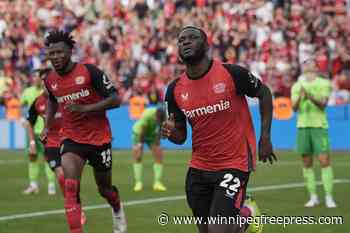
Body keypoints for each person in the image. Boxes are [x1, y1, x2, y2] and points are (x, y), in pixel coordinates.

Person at [161, 26, 276, 233]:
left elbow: (264, 93)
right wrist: (170, 133)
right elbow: (180, 137)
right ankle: (245, 215)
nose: (185, 42)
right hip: (199, 167)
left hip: (235, 162)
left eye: (192, 38)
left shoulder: (231, 73)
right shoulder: (174, 90)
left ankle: (246, 212)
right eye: (181, 40)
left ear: (206, 45)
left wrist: (265, 136)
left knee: (218, 229)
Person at [42, 30, 126, 233]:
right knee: (70, 187)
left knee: (104, 189)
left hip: (99, 139)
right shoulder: (50, 79)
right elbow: (52, 101)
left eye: (60, 52)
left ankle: (117, 208)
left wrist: (85, 109)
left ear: (70, 51)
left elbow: (116, 99)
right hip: (71, 138)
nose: (56, 57)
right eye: (51, 54)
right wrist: (47, 125)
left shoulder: (89, 71)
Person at [25, 71, 87, 224]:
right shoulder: (38, 102)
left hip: (69, 140)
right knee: (61, 175)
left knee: (70, 178)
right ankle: (73, 205)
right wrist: (32, 143)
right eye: (44, 83)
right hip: (51, 143)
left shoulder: (64, 98)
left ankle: (75, 204)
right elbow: (29, 122)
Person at [291, 59, 336, 208]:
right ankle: (313, 196)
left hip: (319, 126)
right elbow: (294, 108)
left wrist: (310, 96)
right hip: (303, 127)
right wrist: (301, 97)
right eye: (305, 63)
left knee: (324, 161)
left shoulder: (323, 83)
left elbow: (323, 105)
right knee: (307, 163)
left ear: (316, 68)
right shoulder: (297, 86)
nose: (307, 65)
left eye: (310, 63)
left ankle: (329, 196)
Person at [21, 69, 56, 195]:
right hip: (33, 131)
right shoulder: (27, 92)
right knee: (32, 158)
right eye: (35, 76)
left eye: (39, 77)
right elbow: (24, 108)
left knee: (48, 159)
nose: (36, 79)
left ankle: (51, 185)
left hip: (47, 132)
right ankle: (33, 185)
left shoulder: (48, 93)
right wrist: (23, 119)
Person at [131, 107, 167, 192]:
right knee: (138, 156)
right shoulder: (147, 114)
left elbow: (161, 128)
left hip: (152, 135)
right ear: (156, 116)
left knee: (159, 156)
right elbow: (143, 129)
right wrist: (140, 144)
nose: (158, 122)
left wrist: (157, 141)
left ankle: (157, 183)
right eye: (158, 120)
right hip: (139, 133)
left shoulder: (164, 117)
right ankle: (138, 183)